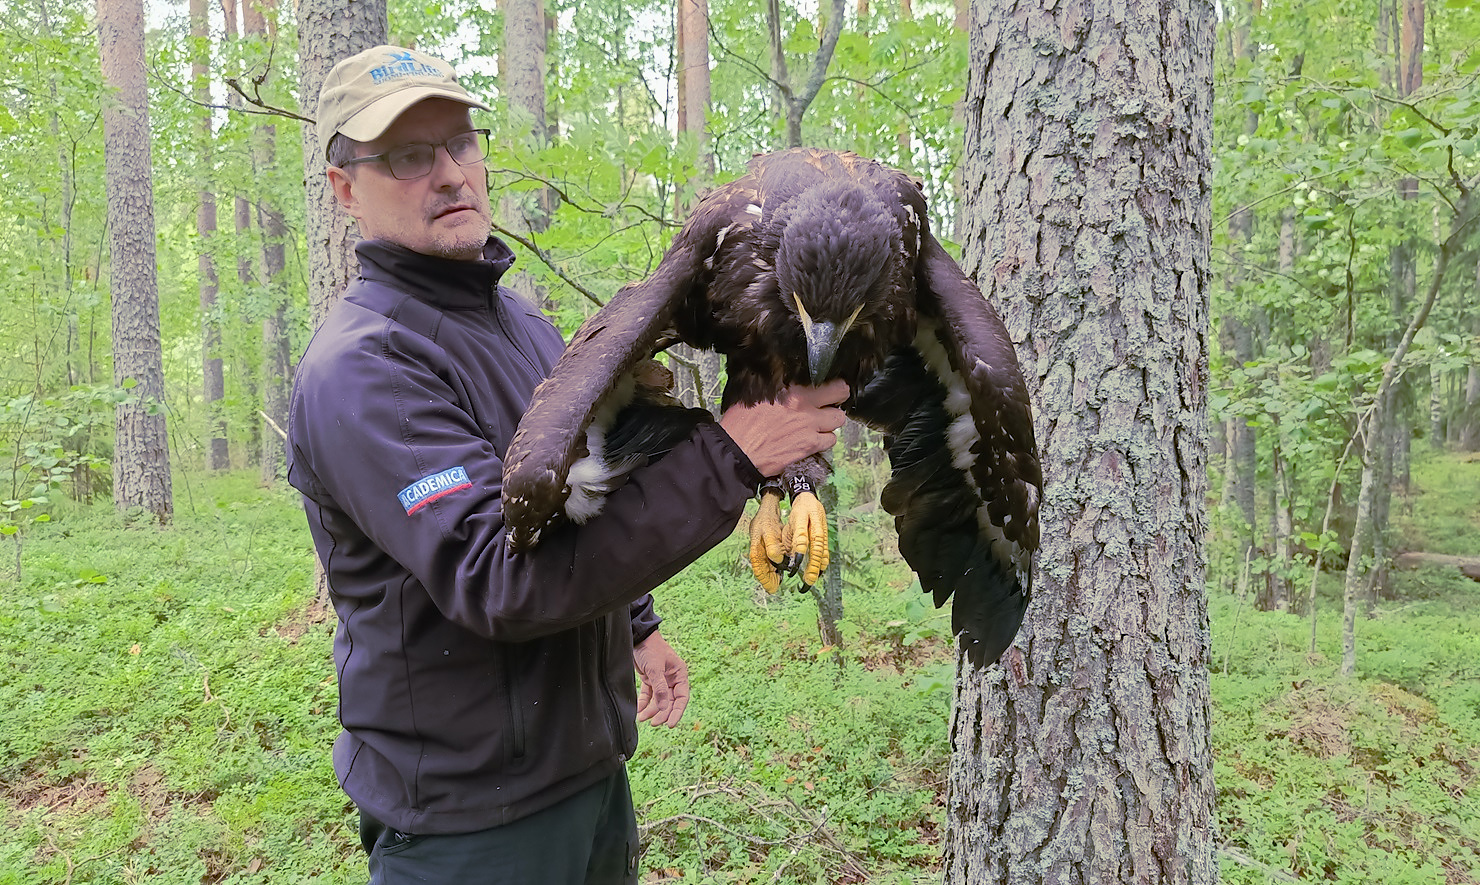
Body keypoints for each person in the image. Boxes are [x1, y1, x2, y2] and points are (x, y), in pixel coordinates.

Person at [286, 45, 847, 885]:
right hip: (469, 827)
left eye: (460, 142)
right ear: (343, 190)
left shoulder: (523, 326)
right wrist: (734, 454)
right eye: (408, 155)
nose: (449, 174)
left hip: (586, 781)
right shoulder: (366, 371)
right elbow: (499, 579)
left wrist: (637, 626)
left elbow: (588, 483)